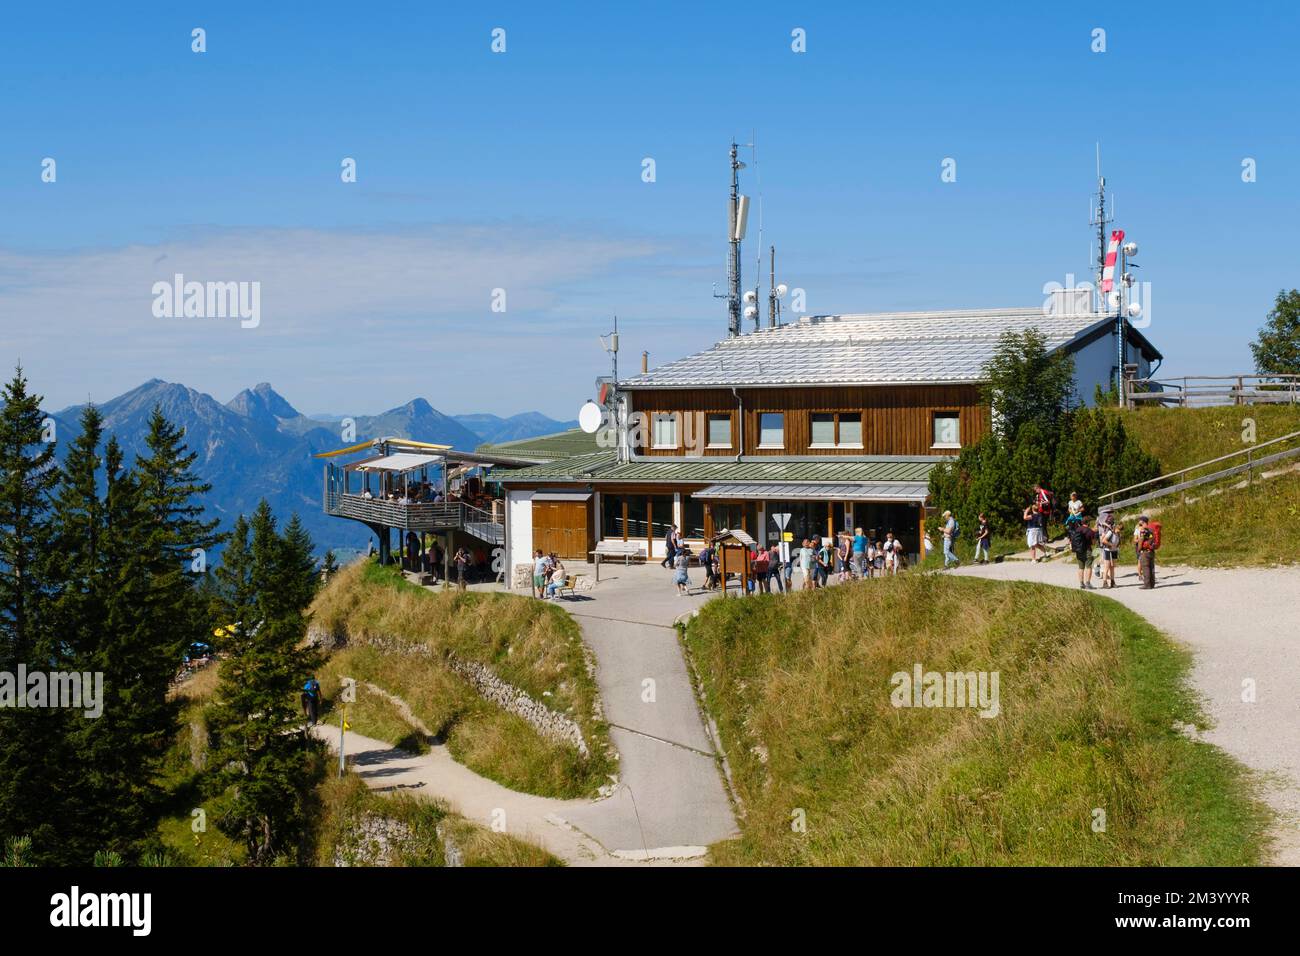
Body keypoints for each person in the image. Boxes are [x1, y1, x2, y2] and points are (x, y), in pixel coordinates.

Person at [1067, 514, 1096, 589]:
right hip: (1087, 550)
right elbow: (1093, 543)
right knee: (1089, 567)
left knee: (1081, 567)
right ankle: (1088, 583)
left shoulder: (1077, 529)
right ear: (1088, 523)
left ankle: (1081, 584)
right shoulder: (1089, 531)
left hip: (1078, 551)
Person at [1097, 513, 1121, 589]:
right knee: (1107, 566)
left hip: (1114, 550)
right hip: (1107, 550)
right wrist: (1111, 545)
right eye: (1118, 529)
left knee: (1112, 566)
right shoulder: (1110, 532)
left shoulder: (1118, 533)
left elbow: (1117, 541)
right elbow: (1104, 541)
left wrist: (1116, 546)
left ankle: (1112, 582)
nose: (1118, 530)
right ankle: (1104, 582)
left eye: (1119, 529)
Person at [1136, 517, 1157, 589]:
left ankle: (1147, 584)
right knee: (1151, 567)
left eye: (1140, 521)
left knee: (1145, 567)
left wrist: (1138, 549)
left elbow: (1141, 540)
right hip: (1152, 551)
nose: (1139, 522)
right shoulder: (1151, 529)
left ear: (1143, 522)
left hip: (1145, 551)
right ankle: (1152, 583)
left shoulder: (1143, 530)